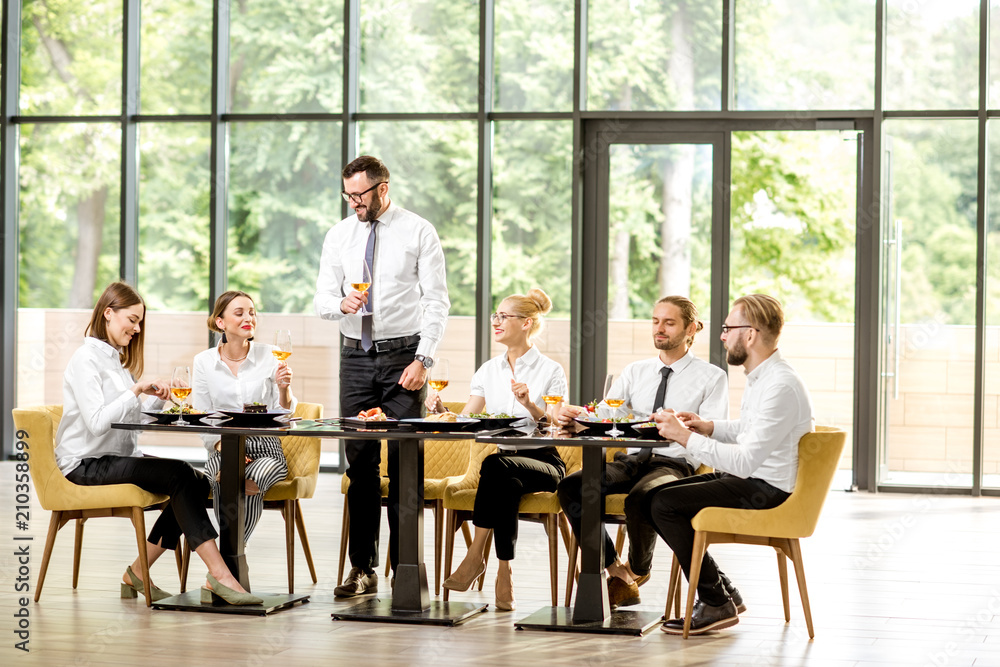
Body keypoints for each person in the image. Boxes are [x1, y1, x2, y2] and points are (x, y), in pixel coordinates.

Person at [54, 282, 262, 606]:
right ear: (108, 313)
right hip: (86, 464)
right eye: (132, 320)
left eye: (139, 322)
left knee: (197, 480)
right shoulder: (86, 360)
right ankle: (220, 574)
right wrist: (136, 389)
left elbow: (129, 423)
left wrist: (156, 398)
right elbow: (96, 423)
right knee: (179, 475)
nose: (137, 329)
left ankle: (137, 571)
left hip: (115, 457)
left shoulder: (114, 362)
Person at [314, 155, 450, 597]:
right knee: (361, 463)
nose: (354, 203)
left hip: (404, 358)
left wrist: (423, 360)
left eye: (361, 195)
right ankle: (364, 568)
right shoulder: (339, 235)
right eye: (348, 195)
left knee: (406, 461)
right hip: (354, 356)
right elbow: (322, 299)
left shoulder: (418, 231)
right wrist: (341, 306)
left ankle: (407, 567)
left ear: (383, 188)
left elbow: (436, 302)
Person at [649, 293, 814, 635]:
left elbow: (743, 460)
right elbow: (748, 430)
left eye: (728, 328)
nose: (722, 336)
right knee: (657, 497)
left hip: (766, 490)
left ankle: (715, 601)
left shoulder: (780, 385)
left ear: (750, 334)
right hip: (756, 480)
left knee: (664, 503)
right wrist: (708, 427)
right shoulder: (764, 377)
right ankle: (725, 592)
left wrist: (684, 437)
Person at [554, 295, 728, 608]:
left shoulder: (712, 377)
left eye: (669, 322)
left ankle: (638, 568)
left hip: (673, 463)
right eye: (655, 321)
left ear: (690, 329)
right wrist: (577, 415)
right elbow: (606, 415)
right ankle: (614, 569)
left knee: (643, 496)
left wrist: (687, 426)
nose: (659, 329)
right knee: (571, 487)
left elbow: (710, 430)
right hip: (631, 460)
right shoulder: (635, 371)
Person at [429, 288, 567, 612]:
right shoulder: (488, 370)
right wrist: (441, 410)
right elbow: (469, 418)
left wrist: (530, 405)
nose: (497, 321)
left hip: (544, 462)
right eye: (496, 315)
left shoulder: (551, 370)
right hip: (506, 467)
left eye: (504, 316)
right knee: (503, 478)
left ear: (527, 323)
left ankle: (476, 555)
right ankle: (504, 572)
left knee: (494, 466)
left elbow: (557, 426)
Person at [191, 290, 296, 543]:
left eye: (252, 313)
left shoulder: (270, 353)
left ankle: (229, 556)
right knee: (223, 479)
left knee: (251, 479)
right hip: (222, 445)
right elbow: (203, 417)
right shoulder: (203, 361)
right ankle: (232, 562)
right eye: (239, 313)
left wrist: (284, 388)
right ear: (220, 322)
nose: (248, 318)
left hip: (266, 447)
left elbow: (286, 413)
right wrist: (222, 447)